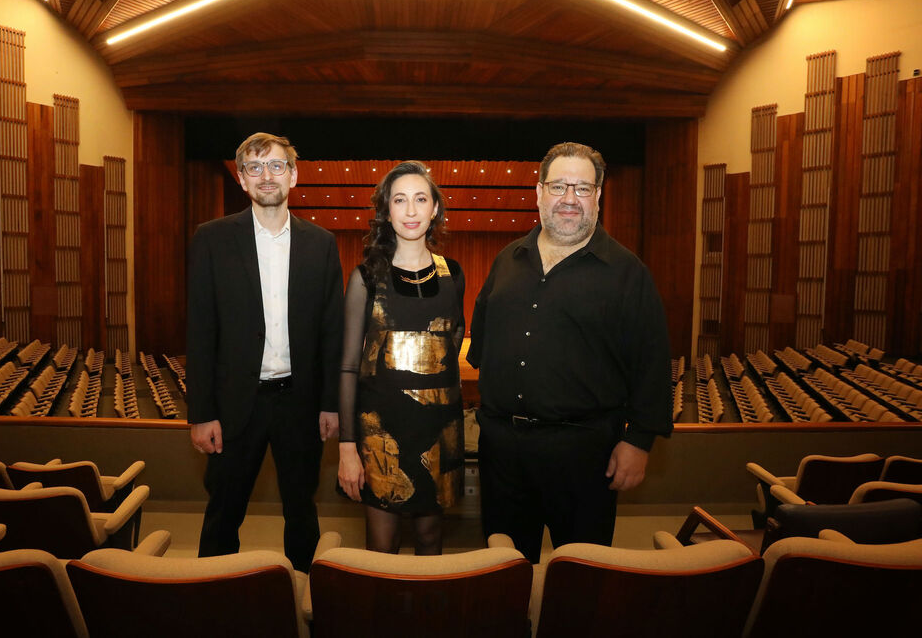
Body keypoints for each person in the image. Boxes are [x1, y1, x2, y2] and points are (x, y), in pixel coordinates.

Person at [466, 142, 672, 563]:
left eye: (582, 188)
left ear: (598, 196)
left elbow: (652, 363)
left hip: (586, 455)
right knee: (504, 571)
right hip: (504, 454)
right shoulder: (507, 260)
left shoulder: (628, 273)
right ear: (539, 192)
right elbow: (484, 345)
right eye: (559, 186)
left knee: (582, 576)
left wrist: (639, 441)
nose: (569, 199)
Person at [187, 132, 343, 572]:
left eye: (276, 166)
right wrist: (201, 413)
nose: (266, 176)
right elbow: (200, 331)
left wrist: (330, 403)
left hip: (300, 403)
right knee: (223, 514)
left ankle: (305, 602)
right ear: (241, 180)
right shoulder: (211, 239)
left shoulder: (321, 243)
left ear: (293, 175)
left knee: (302, 514)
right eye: (255, 168)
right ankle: (213, 598)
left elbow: (332, 332)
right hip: (236, 404)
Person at [337, 161, 466, 555]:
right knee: (382, 547)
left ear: (435, 209)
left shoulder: (453, 274)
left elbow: (452, 345)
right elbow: (348, 366)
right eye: (400, 200)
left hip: (439, 430)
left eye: (420, 199)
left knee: (431, 540)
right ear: (386, 211)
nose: (410, 211)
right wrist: (347, 447)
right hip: (381, 435)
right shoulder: (366, 278)